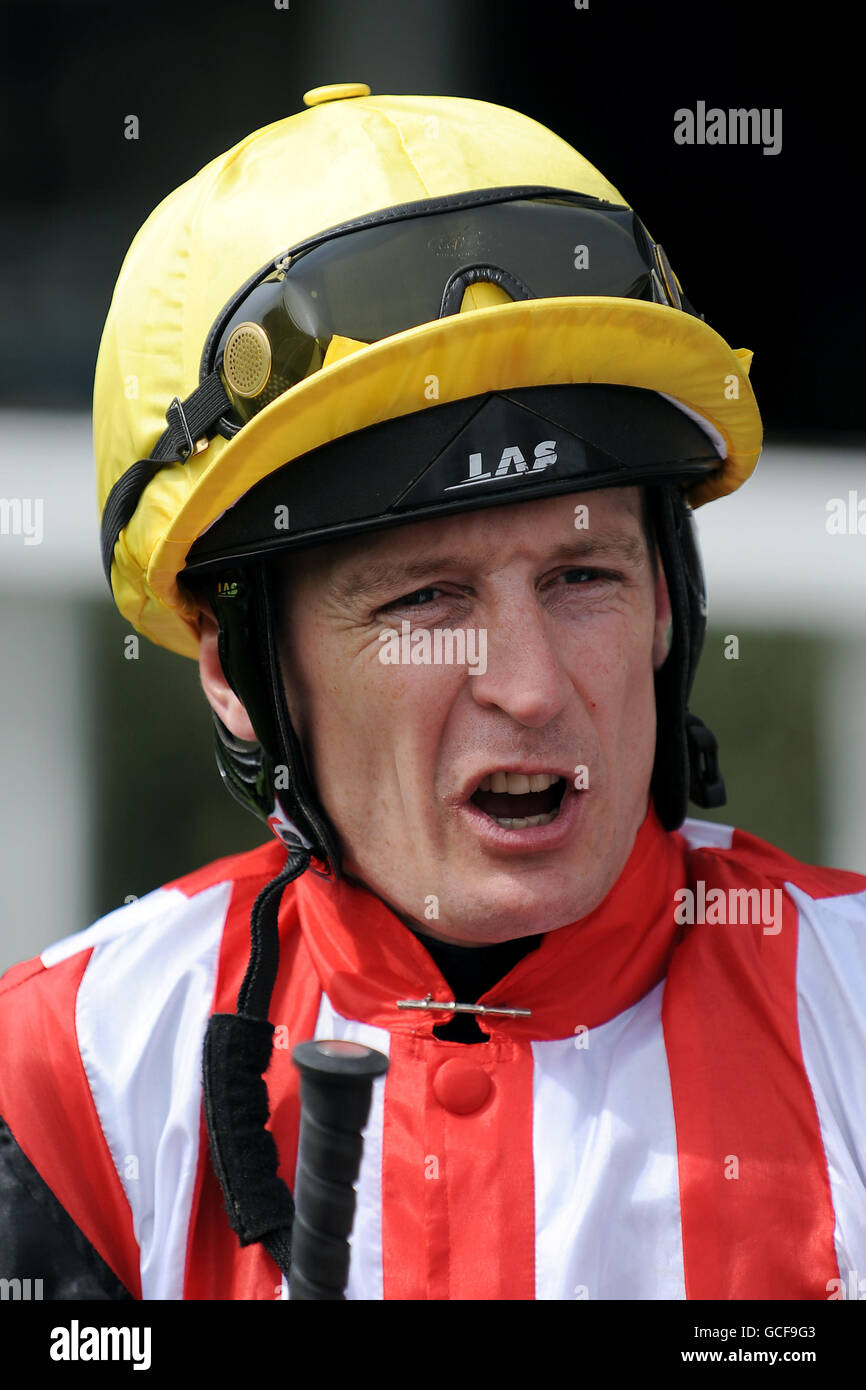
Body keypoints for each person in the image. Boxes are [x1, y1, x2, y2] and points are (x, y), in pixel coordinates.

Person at [1, 83, 864, 1302]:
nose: (528, 686)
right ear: (232, 669)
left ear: (669, 599)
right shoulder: (56, 1088)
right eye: (424, 602)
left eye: (581, 574)